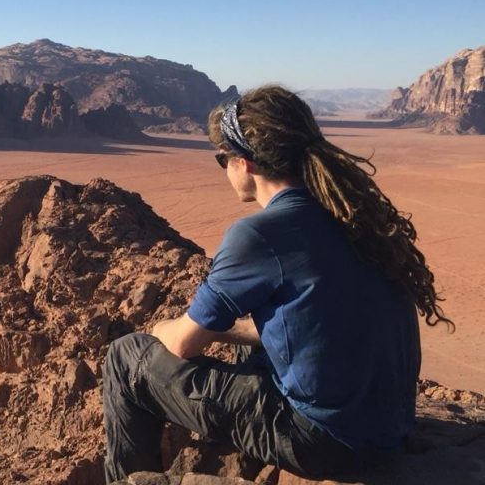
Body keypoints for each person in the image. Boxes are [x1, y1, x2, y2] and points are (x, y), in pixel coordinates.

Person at [102, 85, 453, 482]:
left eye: (223, 159)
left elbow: (182, 344)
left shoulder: (259, 235)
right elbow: (317, 323)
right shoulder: (353, 216)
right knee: (242, 351)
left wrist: (160, 329)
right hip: (387, 429)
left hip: (325, 442)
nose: (223, 169)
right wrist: (229, 333)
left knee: (125, 356)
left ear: (246, 162)